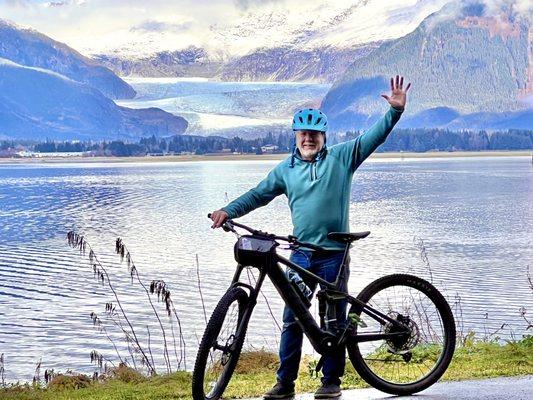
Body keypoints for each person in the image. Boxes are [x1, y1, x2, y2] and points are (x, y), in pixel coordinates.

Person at [210, 75, 411, 399]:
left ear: (323, 136)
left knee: (332, 318)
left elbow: (374, 137)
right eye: (304, 134)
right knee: (293, 318)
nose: (309, 139)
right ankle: (284, 384)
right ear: (296, 137)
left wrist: (395, 112)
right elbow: (257, 195)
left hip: (335, 252)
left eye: (314, 134)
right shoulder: (285, 171)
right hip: (301, 252)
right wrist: (228, 211)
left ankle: (331, 382)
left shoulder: (342, 157)